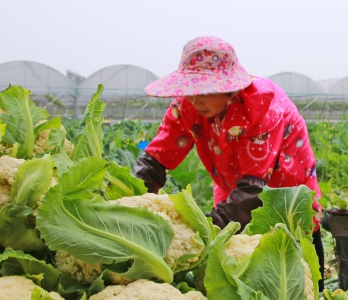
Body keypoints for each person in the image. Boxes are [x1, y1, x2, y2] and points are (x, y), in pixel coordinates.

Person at [133, 35, 325, 277]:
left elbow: (255, 188)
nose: (196, 98)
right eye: (191, 89)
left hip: (283, 180)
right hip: (231, 179)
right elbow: (158, 156)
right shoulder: (187, 105)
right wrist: (133, 200)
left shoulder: (263, 104)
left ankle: (315, 288)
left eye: (205, 90)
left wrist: (202, 229)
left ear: (229, 87)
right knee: (237, 251)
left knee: (295, 241)